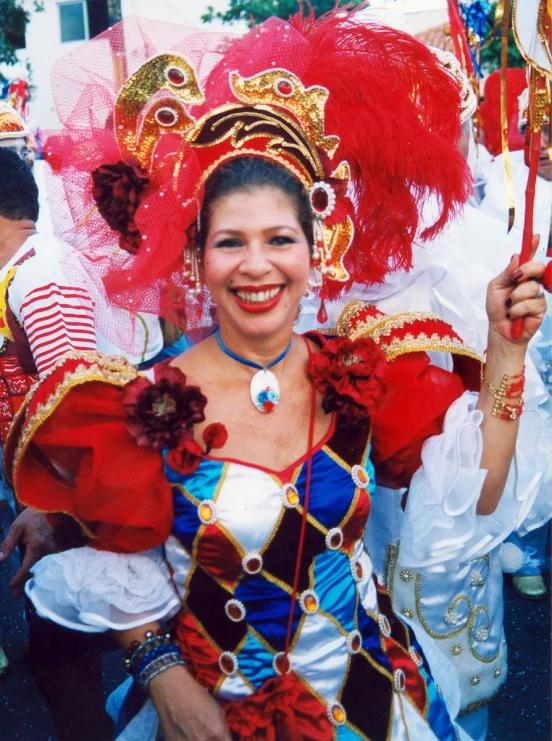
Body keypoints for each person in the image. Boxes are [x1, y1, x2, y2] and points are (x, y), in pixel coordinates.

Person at [4, 12, 548, 741]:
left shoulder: (357, 371)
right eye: (231, 240)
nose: (257, 264)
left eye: (279, 239)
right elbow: (115, 564)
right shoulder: (144, 400)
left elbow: (475, 495)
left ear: (315, 251)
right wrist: (162, 671)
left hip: (376, 706)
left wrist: (506, 354)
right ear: (196, 257)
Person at [0, 148, 114, 740]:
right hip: (61, 496)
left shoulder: (41, 275)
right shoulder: (26, 268)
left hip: (72, 501)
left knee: (63, 662)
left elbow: (80, 403)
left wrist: (51, 506)